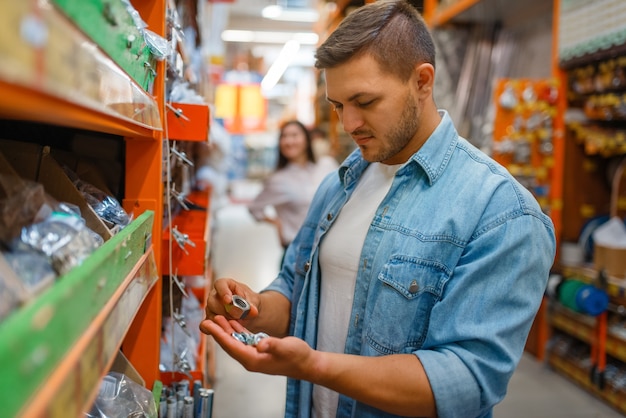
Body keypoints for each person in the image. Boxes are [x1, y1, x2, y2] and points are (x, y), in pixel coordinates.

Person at [200, 1, 556, 417]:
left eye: (364, 101)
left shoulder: (502, 213)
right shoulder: (342, 182)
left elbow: (466, 380)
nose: (349, 123)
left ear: (422, 81)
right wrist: (252, 308)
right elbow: (295, 293)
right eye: (337, 105)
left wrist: (316, 366)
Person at [247, 120, 337, 250]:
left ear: (307, 139)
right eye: (284, 136)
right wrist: (277, 223)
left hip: (327, 247)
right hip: (296, 250)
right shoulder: (278, 180)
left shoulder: (325, 166)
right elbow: (254, 208)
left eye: (294, 135)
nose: (289, 141)